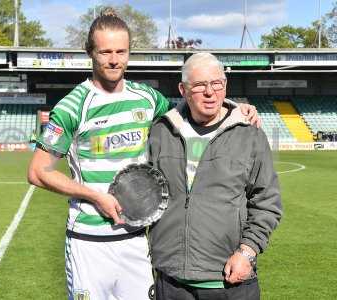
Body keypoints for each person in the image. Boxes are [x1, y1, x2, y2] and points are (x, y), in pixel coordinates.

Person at [28, 9, 260, 300]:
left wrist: (233, 106)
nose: (114, 59)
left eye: (121, 51)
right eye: (105, 52)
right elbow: (38, 172)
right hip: (89, 240)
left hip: (136, 238)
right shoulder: (72, 106)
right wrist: (95, 196)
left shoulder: (147, 98)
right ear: (90, 53)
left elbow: (190, 107)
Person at [148, 53, 282, 300]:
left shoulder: (249, 135)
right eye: (199, 85)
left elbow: (267, 203)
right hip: (171, 281)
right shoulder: (161, 131)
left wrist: (247, 252)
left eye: (216, 84)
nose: (210, 92)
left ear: (225, 85)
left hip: (229, 282)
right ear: (183, 89)